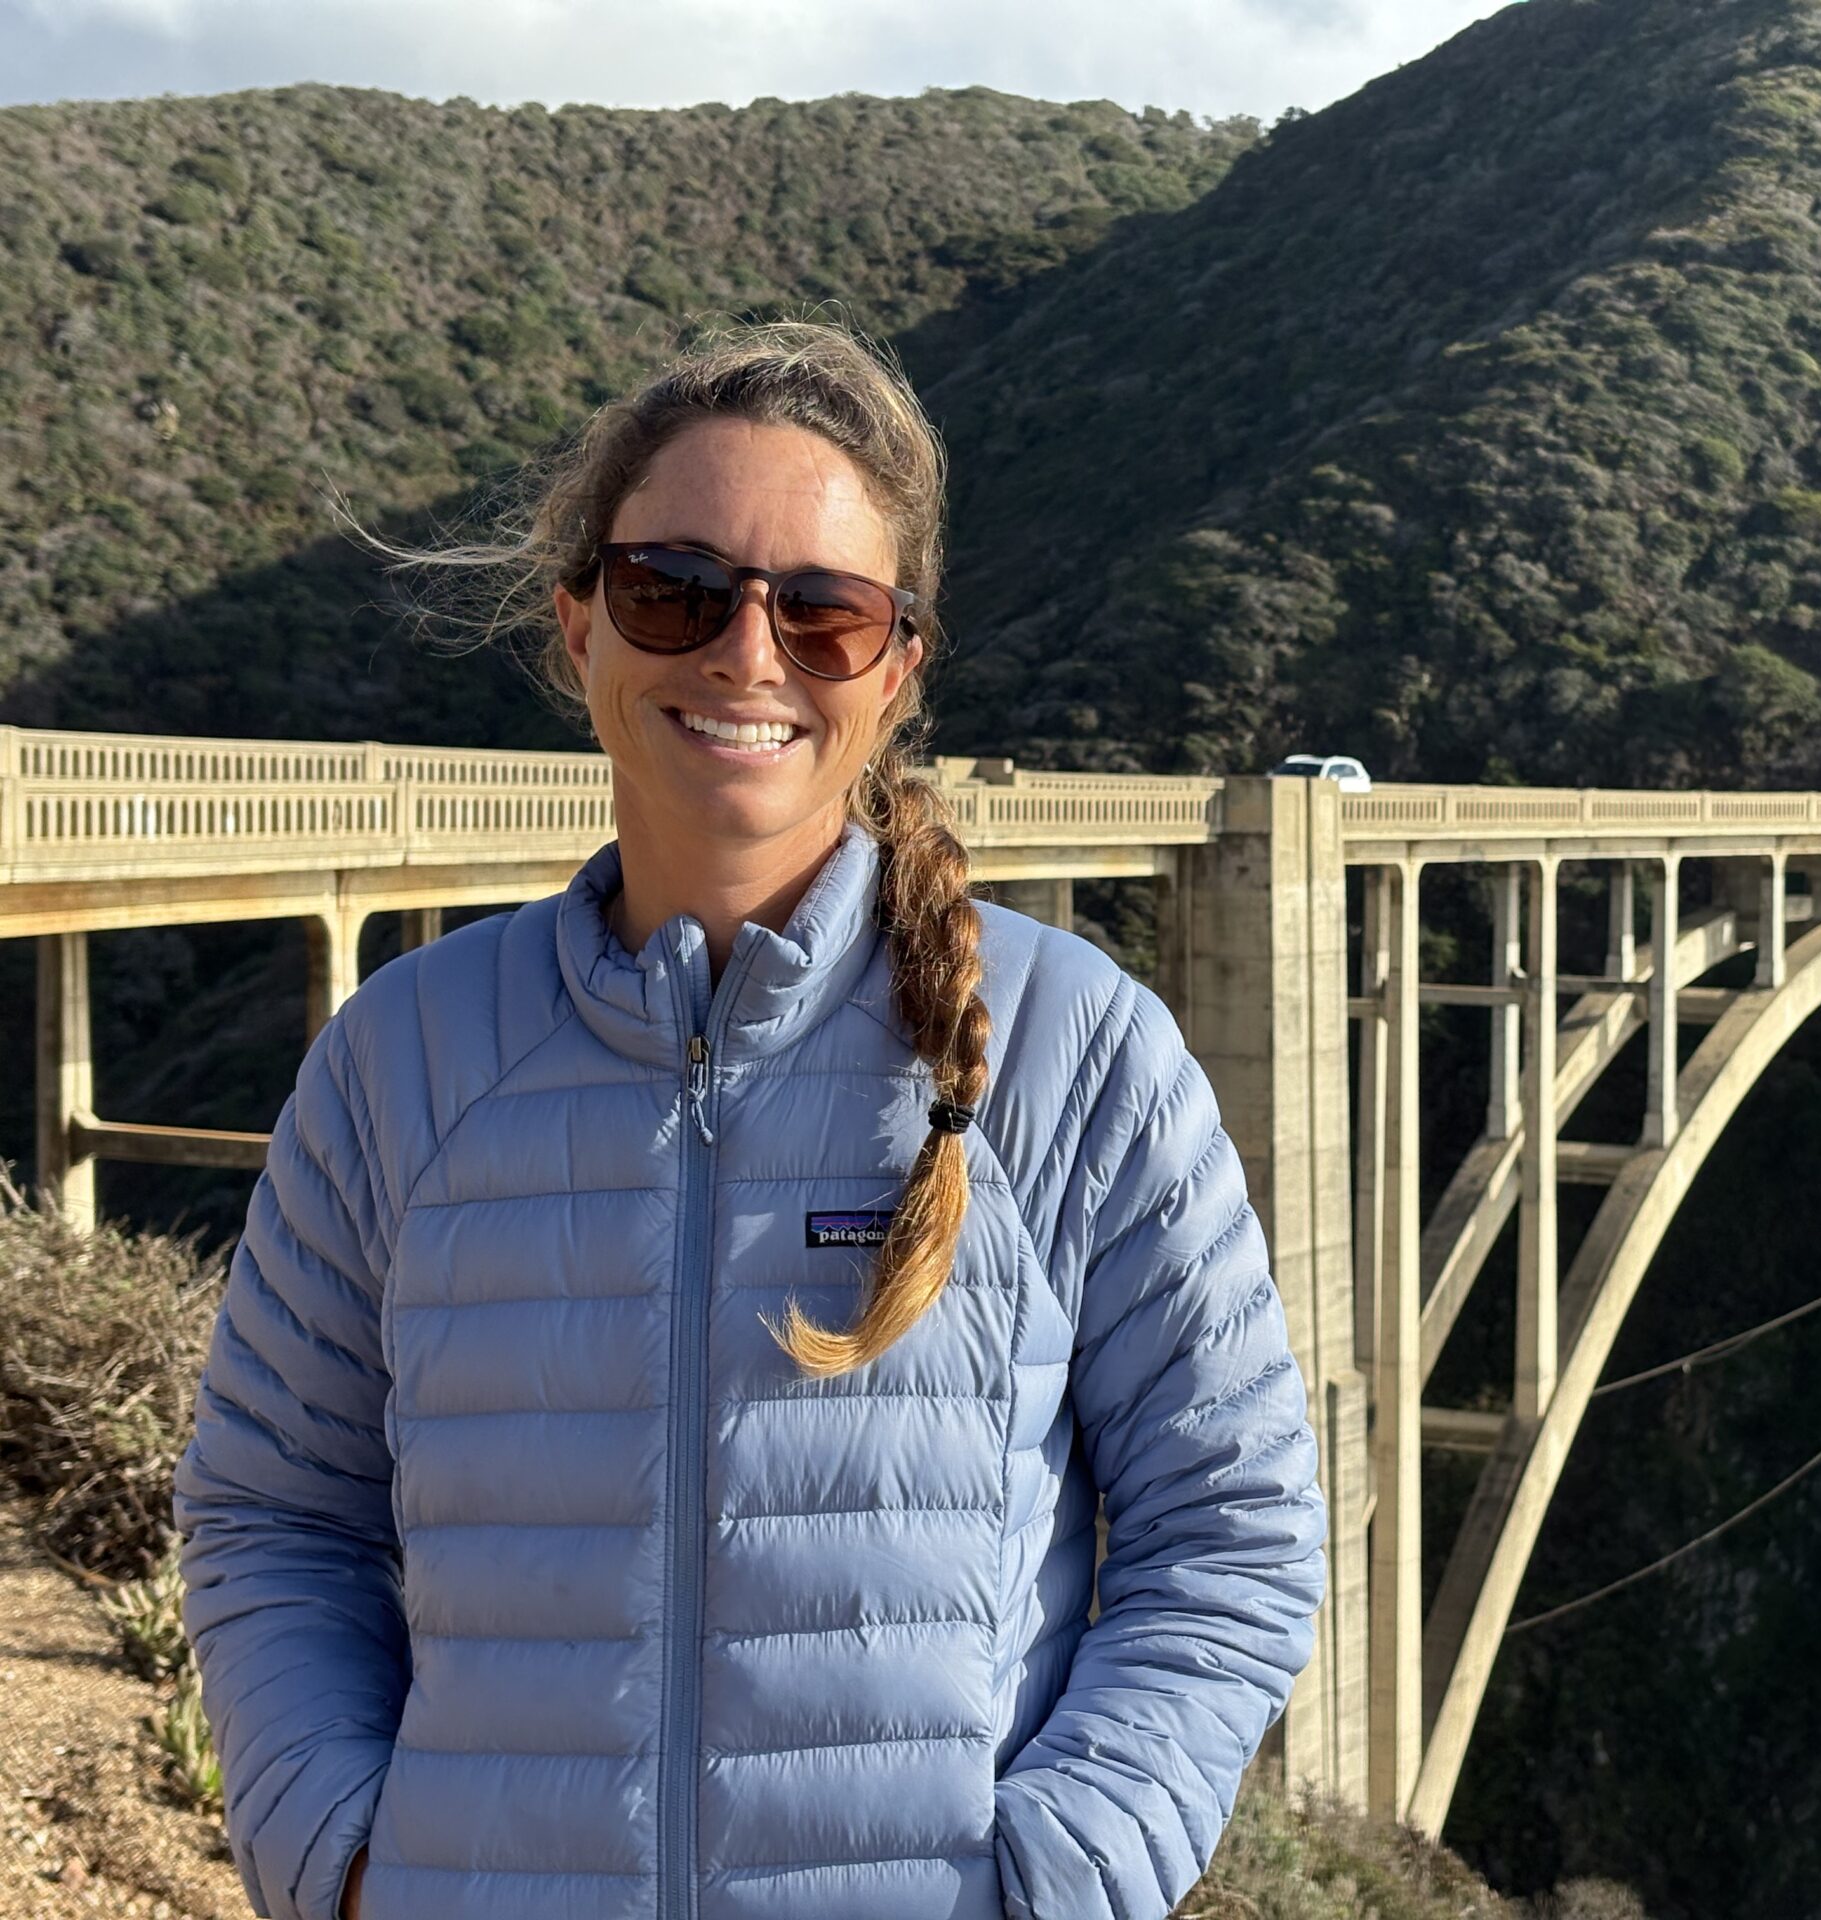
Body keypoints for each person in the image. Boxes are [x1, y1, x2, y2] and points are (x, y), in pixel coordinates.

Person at [170, 320, 1328, 1920]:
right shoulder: (399, 1069)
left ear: (897, 666)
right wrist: (346, 1861)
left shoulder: (1078, 1059)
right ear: (580, 624)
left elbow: (1236, 1528)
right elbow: (272, 1514)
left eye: (826, 613)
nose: (746, 653)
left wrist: (1055, 1881)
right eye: (676, 589)